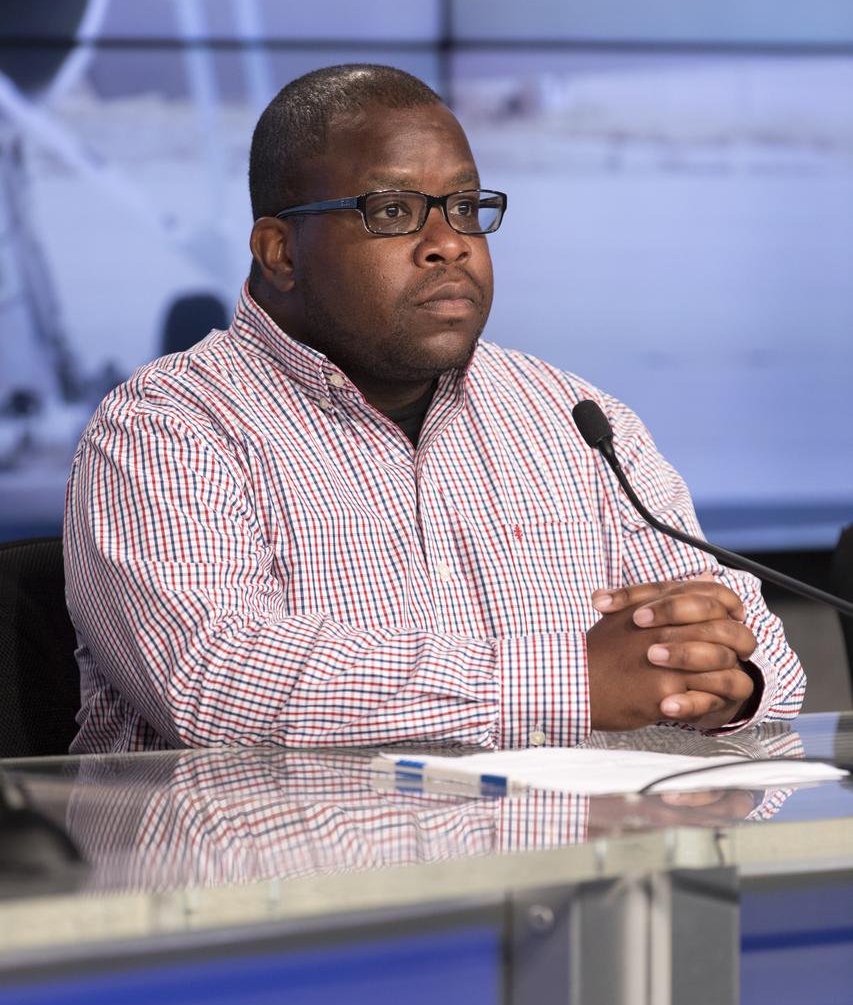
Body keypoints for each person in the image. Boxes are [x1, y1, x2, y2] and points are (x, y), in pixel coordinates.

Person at [64, 64, 805, 754]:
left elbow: (760, 646)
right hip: (277, 885)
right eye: (392, 211)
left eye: (464, 207)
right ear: (279, 252)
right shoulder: (166, 426)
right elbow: (212, 681)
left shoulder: (574, 417)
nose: (447, 244)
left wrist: (722, 679)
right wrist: (568, 684)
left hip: (551, 875)